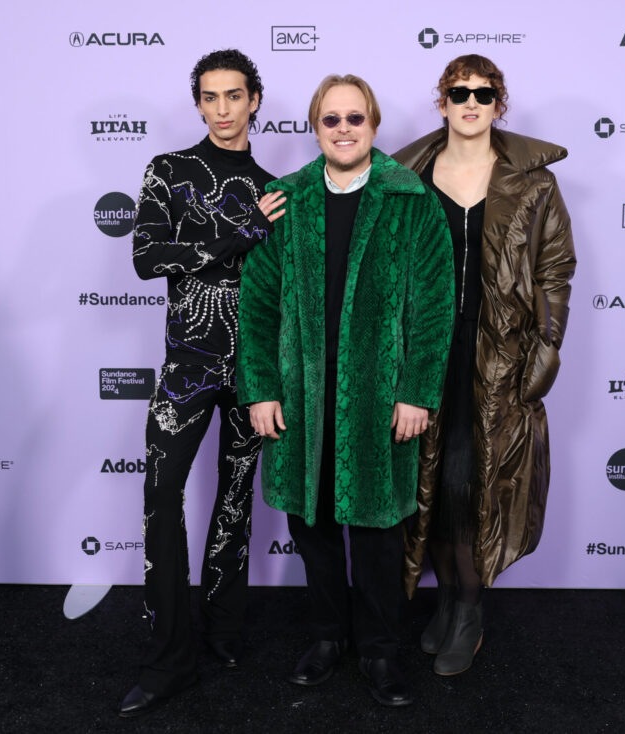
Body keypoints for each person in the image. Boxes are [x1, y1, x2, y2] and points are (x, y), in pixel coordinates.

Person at [236, 74, 454, 707]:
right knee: (314, 526)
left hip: (379, 401)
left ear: (375, 126)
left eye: (355, 118)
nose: (343, 128)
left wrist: (416, 392)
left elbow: (436, 309)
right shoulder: (287, 198)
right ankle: (328, 636)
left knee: (381, 534)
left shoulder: (411, 199)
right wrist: (260, 390)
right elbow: (258, 306)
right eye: (330, 119)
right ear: (315, 127)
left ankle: (382, 649)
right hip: (300, 399)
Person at [393, 54, 577, 676]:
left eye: (484, 92)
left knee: (474, 483)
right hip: (424, 353)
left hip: (497, 358)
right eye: (459, 92)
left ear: (500, 104)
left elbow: (555, 269)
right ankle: (446, 601)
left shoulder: (534, 182)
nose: (471, 102)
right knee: (434, 486)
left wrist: (546, 348)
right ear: (441, 102)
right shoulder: (407, 176)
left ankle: (469, 609)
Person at [120, 48, 285, 718]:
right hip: (187, 367)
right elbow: (145, 257)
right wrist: (241, 230)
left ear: (254, 101)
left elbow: (280, 294)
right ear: (198, 103)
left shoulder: (278, 188)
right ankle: (168, 657)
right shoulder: (169, 171)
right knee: (162, 496)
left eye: (234, 95)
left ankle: (224, 631)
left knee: (237, 500)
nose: (223, 108)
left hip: (250, 372)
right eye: (210, 97)